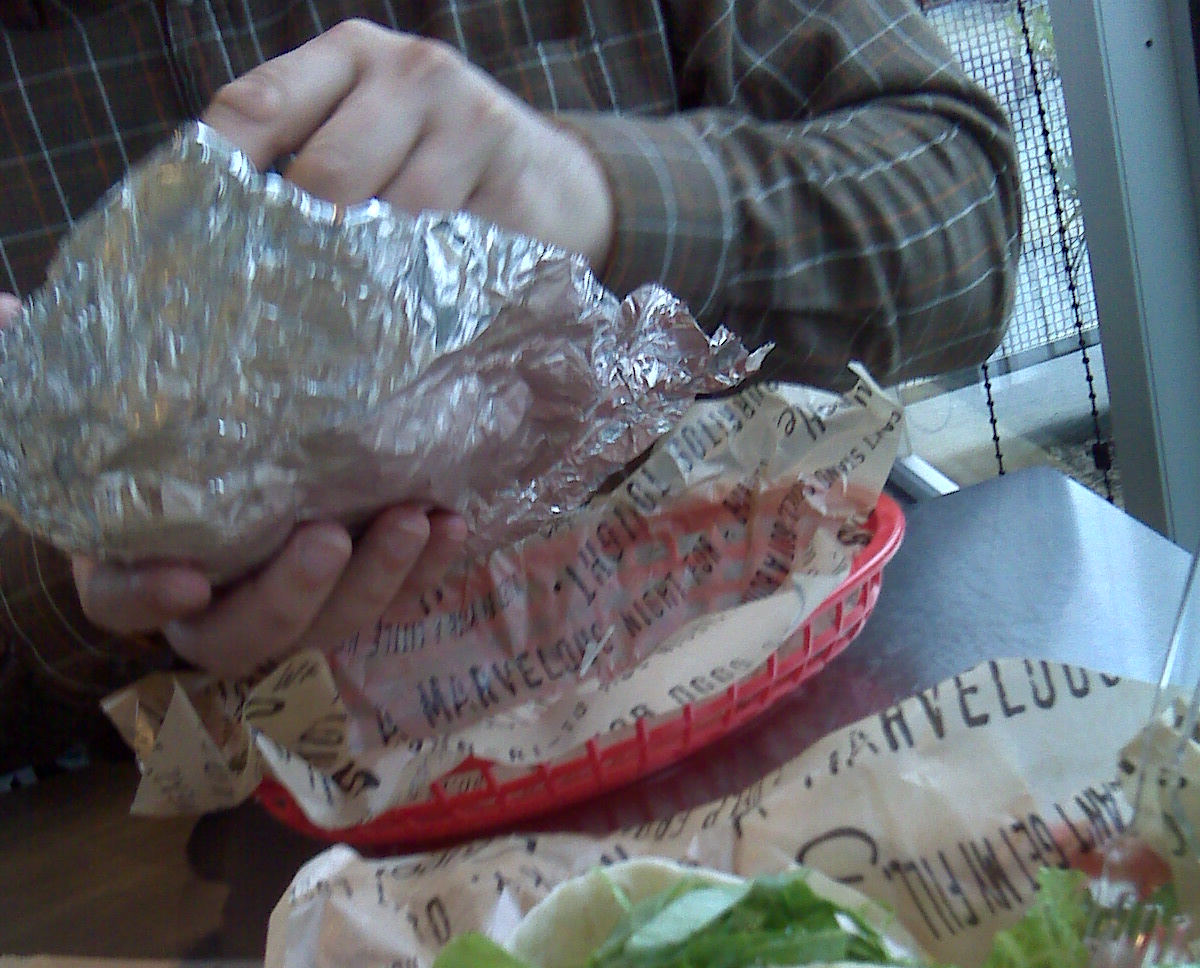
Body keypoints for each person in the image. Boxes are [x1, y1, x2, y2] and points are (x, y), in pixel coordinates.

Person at [0, 0, 1022, 771]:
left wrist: (591, 195)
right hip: (204, 871)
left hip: (772, 715)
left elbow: (959, 214)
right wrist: (84, 546)